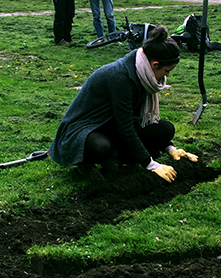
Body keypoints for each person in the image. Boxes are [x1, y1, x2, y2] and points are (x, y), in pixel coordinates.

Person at [49, 25, 198, 181]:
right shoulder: (121, 77)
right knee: (101, 147)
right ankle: (86, 162)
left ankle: (117, 157)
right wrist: (151, 165)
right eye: (167, 70)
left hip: (109, 123)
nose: (167, 75)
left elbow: (135, 118)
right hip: (84, 128)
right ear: (154, 64)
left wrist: (170, 148)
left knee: (165, 129)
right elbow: (125, 126)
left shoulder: (142, 71)